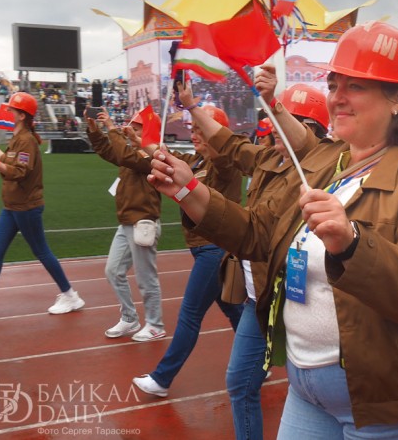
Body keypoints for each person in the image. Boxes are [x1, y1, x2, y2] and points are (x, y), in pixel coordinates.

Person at [147, 21, 398, 439]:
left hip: (388, 401)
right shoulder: (324, 163)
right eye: (335, 85)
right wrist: (189, 190)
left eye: (356, 86)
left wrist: (351, 242)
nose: (338, 98)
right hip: (306, 388)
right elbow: (257, 235)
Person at [182, 76, 328, 440]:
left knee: (317, 389)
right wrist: (191, 105)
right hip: (259, 298)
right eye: (273, 122)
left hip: (299, 299)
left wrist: (274, 102)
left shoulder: (322, 172)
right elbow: (230, 144)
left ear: (313, 130)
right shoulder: (268, 158)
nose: (274, 129)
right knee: (239, 382)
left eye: (286, 121)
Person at [132, 105, 244, 397]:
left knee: (190, 315)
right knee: (235, 311)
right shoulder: (195, 161)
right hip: (202, 247)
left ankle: (162, 378)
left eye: (199, 130)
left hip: (214, 249)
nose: (194, 134)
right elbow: (158, 155)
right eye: (192, 129)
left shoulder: (225, 164)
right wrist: (145, 137)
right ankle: (260, 360)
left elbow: (217, 157)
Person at [0, 92, 84, 322]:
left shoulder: (26, 141)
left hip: (25, 207)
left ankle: (70, 295)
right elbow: (13, 162)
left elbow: (19, 172)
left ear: (21, 115)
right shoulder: (19, 137)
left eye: (12, 110)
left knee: (41, 251)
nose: (8, 112)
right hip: (12, 205)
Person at [86, 108, 164, 341]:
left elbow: (125, 156)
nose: (130, 129)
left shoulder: (154, 155)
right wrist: (93, 127)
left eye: (137, 128)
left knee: (145, 277)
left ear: (148, 132)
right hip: (127, 222)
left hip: (143, 222)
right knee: (113, 271)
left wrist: (111, 128)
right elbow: (106, 150)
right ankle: (130, 318)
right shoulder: (130, 151)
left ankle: (155, 324)